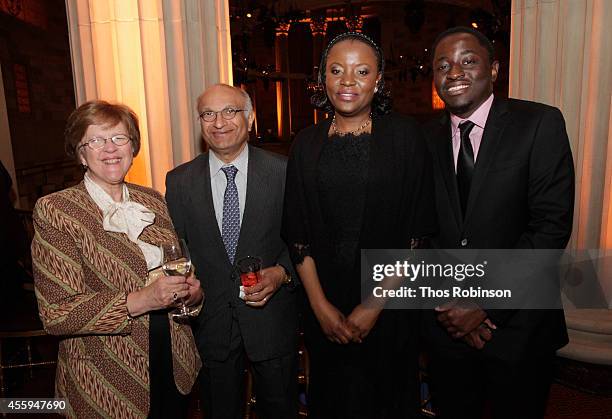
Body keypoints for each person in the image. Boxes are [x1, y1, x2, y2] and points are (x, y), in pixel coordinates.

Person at [282, 32, 437, 419]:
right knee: (333, 401)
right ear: (323, 77)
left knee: (387, 402)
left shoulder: (405, 136)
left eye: (361, 71)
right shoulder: (306, 142)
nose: (348, 81)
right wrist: (320, 307)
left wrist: (372, 306)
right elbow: (297, 232)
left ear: (379, 80)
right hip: (325, 305)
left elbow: (417, 232)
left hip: (390, 305)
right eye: (337, 70)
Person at [423, 27, 574, 419]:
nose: (454, 71)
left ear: (493, 69)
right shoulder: (422, 138)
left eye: (468, 61)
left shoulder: (539, 123)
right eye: (443, 65)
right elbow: (420, 232)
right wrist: (452, 309)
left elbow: (550, 227)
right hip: (447, 328)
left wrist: (484, 304)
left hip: (519, 328)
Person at [31, 100, 203, 418]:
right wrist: (142, 300)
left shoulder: (151, 199)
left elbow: (174, 266)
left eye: (119, 138)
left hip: (174, 361)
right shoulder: (56, 210)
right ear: (81, 153)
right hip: (108, 375)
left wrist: (192, 294)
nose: (110, 148)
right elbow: (56, 314)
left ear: (132, 147)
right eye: (96, 140)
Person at [165, 84, 299, 419]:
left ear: (250, 118)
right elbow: (177, 250)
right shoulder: (179, 181)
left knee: (280, 409)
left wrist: (282, 273)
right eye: (208, 114)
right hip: (211, 323)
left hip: (272, 320)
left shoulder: (285, 172)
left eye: (230, 111)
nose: (218, 122)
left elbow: (304, 242)